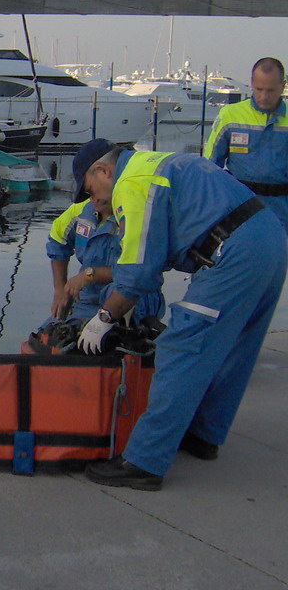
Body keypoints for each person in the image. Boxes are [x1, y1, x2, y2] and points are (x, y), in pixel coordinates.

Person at [71, 138, 287, 490]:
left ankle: (144, 461)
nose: (93, 199)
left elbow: (138, 275)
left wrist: (102, 319)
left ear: (103, 171)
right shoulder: (158, 164)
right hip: (270, 236)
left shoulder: (132, 183)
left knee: (181, 347)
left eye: (90, 189)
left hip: (233, 250)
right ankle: (204, 435)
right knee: (236, 347)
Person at [46, 195, 164, 325]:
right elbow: (57, 241)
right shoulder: (81, 210)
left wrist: (90, 275)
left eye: (96, 191)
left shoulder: (136, 214)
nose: (93, 198)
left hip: (136, 295)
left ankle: (121, 326)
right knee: (50, 330)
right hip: (88, 296)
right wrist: (60, 289)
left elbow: (137, 272)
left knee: (116, 302)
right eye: (89, 191)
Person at [204, 57, 288, 233]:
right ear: (251, 83)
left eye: (271, 90)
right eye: (259, 89)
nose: (264, 97)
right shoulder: (230, 116)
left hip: (281, 214)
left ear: (283, 86)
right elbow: (210, 167)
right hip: (238, 212)